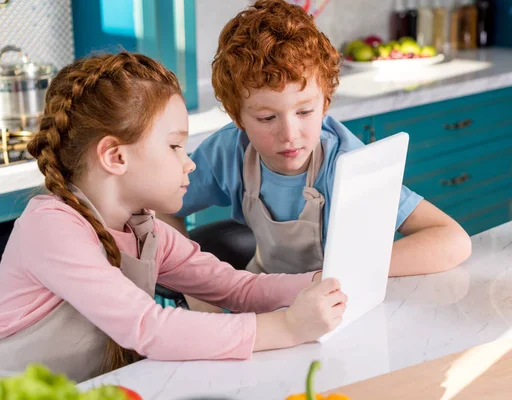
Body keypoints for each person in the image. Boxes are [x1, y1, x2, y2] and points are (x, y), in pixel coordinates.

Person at [0, 51, 346, 382]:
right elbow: (148, 327)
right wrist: (287, 327)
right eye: (174, 146)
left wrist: (322, 283)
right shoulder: (51, 227)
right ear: (116, 157)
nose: (189, 162)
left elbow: (236, 288)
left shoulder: (143, 229)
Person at [159, 0, 472, 277]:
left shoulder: (345, 164)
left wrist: (355, 271)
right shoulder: (229, 150)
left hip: (337, 300)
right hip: (264, 290)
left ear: (325, 103)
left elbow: (452, 239)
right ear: (237, 117)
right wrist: (194, 281)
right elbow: (161, 206)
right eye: (267, 118)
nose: (290, 135)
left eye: (305, 112)